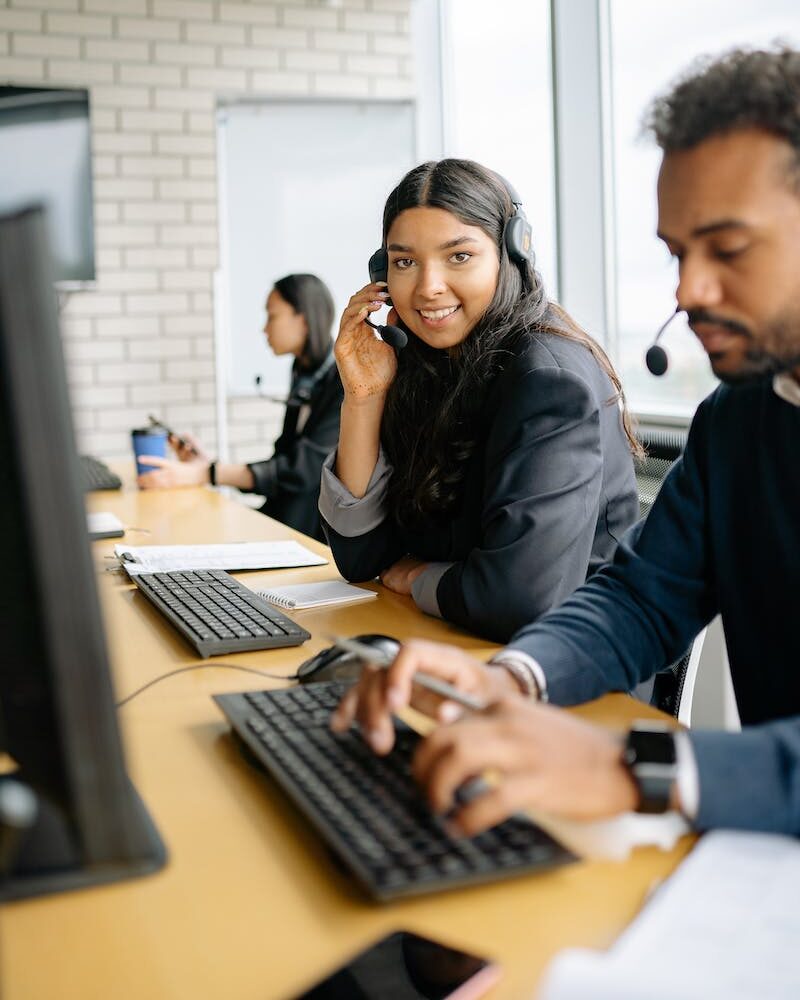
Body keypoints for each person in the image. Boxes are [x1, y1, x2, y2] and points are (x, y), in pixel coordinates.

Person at [332, 47, 800, 837]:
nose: (688, 292)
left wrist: (639, 768)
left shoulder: (555, 372)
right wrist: (512, 679)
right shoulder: (739, 419)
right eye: (678, 253)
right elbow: (642, 599)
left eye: (728, 248)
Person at [319, 159, 640, 643]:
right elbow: (360, 558)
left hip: (565, 675)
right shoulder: (425, 366)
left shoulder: (549, 380)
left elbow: (519, 600)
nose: (428, 287)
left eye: (459, 257)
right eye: (405, 262)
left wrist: (418, 577)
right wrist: (364, 398)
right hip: (460, 646)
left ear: (510, 254)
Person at [138, 273, 343, 541]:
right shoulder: (303, 371)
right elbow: (283, 456)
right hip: (286, 518)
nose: (264, 329)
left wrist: (209, 473)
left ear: (303, 320)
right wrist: (207, 466)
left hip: (316, 534)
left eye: (272, 316)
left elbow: (302, 470)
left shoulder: (343, 378)